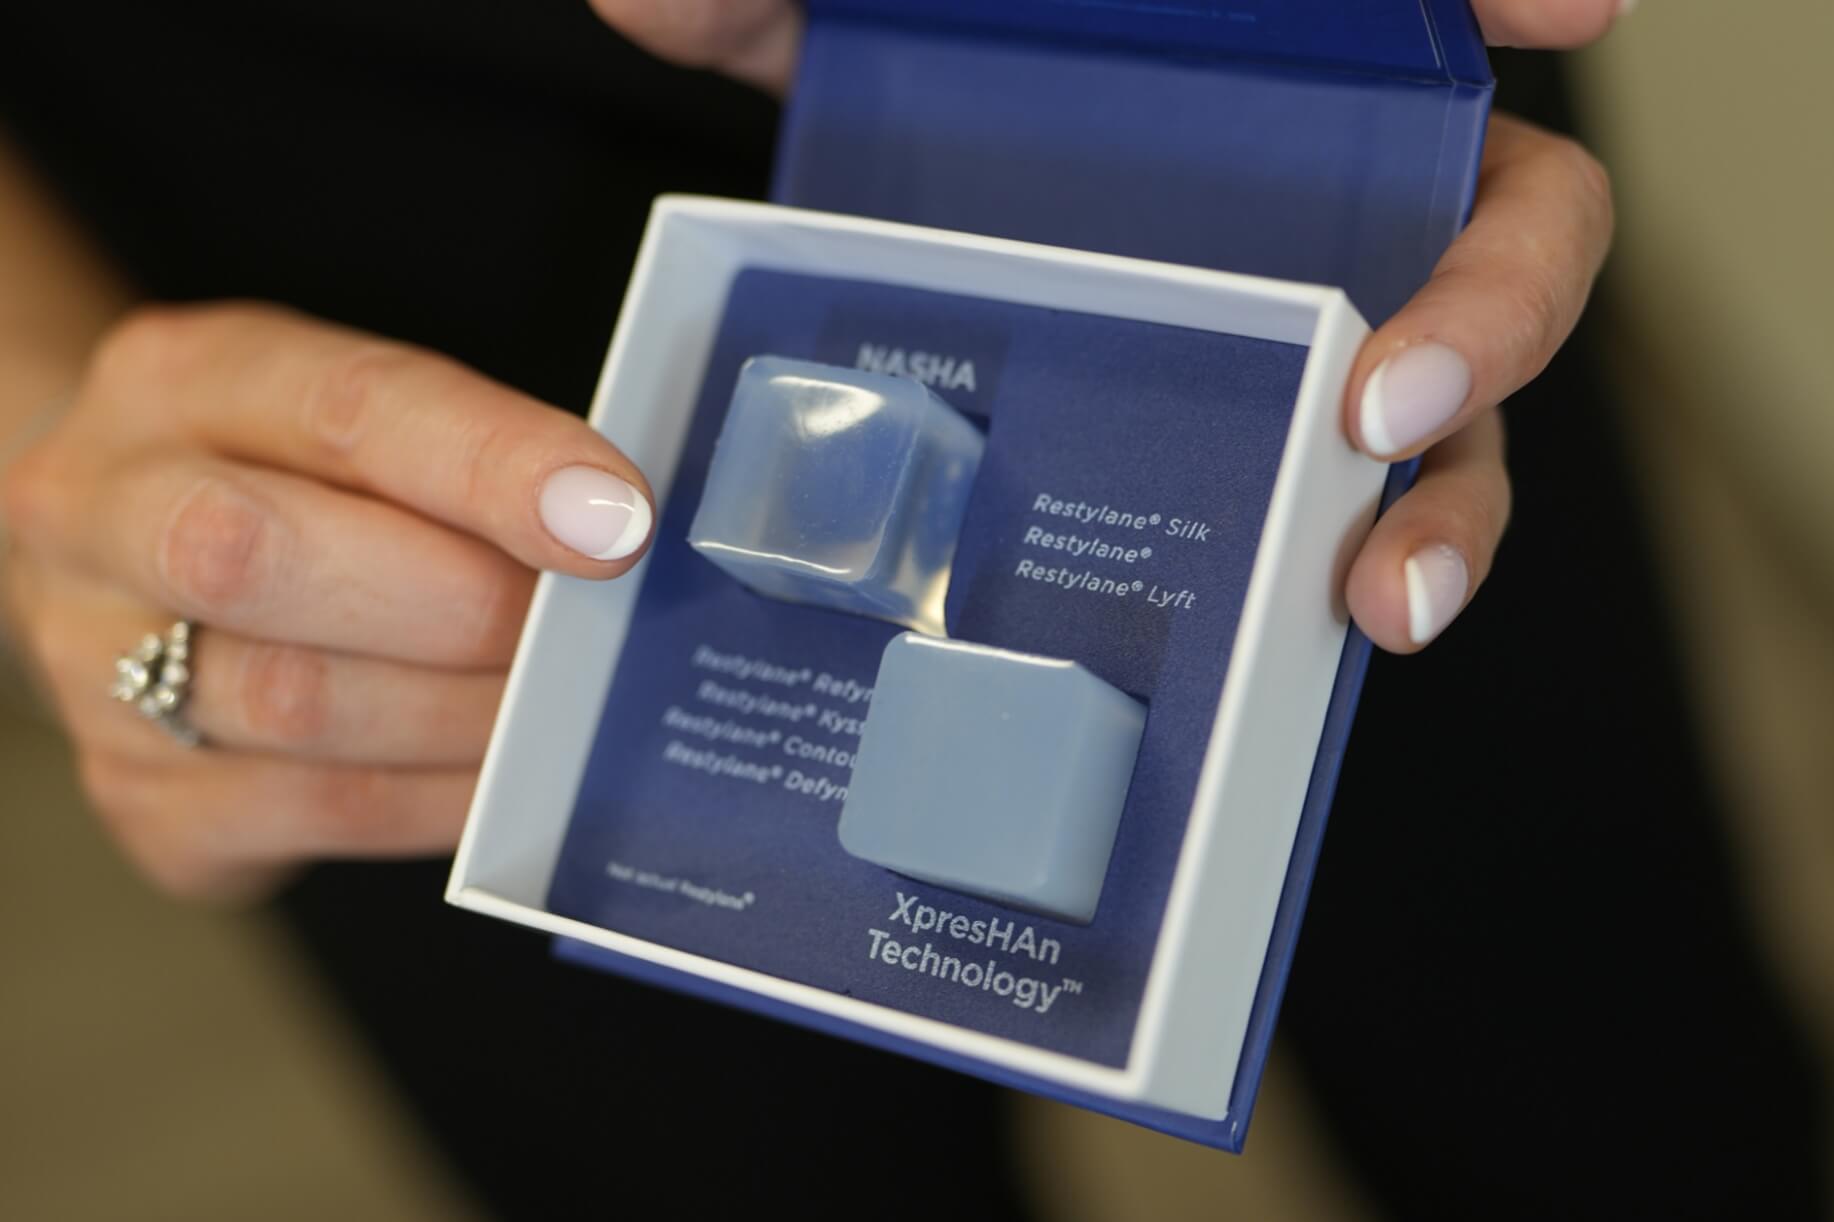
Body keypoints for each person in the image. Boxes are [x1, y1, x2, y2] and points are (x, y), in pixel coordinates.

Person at [1, 2, 1822, 1217]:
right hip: (350, 398)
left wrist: (1311, 105)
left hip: (1256, 184)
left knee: (1594, 1080)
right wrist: (50, 427)